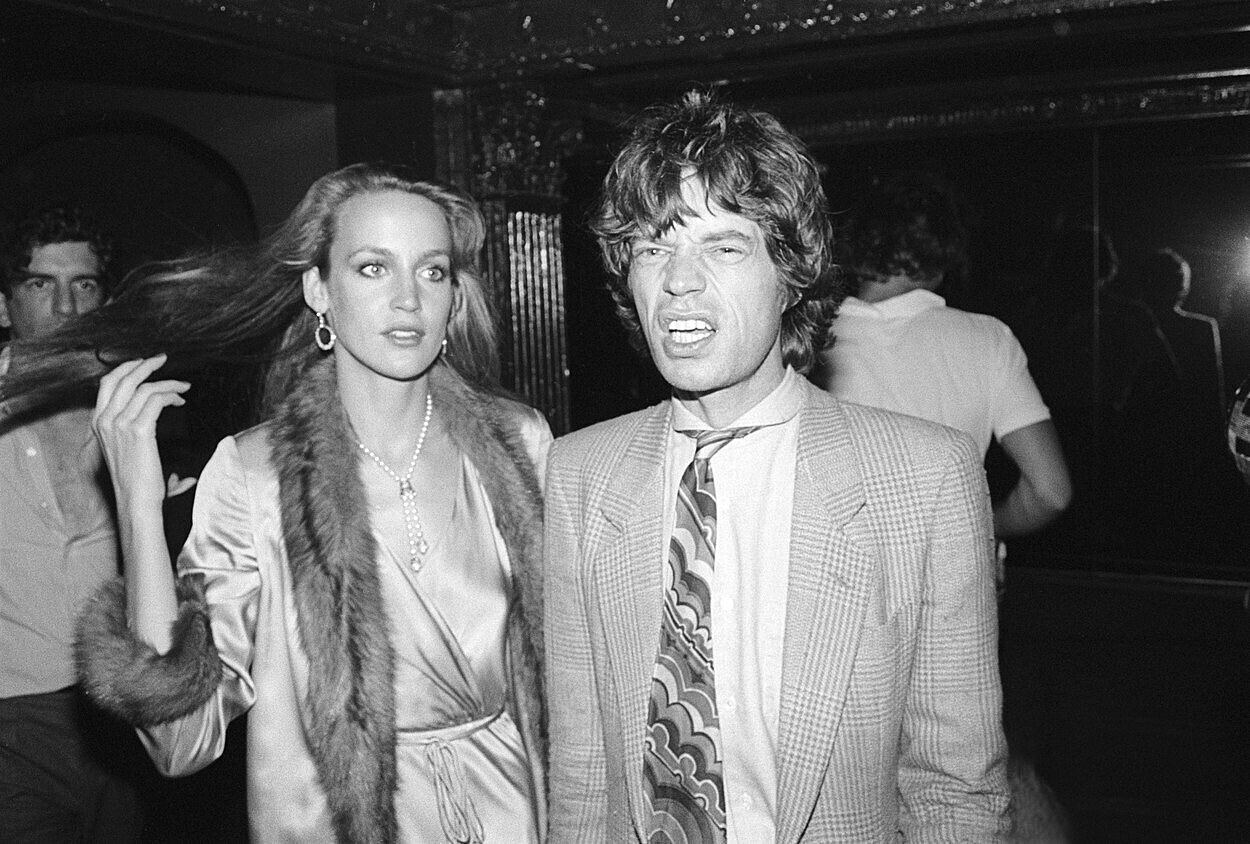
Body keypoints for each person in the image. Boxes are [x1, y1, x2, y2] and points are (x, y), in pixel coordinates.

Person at [1, 164, 550, 843]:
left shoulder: (519, 444)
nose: (409, 298)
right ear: (319, 290)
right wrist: (138, 505)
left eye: (432, 271)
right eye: (373, 268)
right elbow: (180, 740)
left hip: (518, 814)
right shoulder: (256, 474)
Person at [544, 91, 1010, 842]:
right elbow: (581, 777)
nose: (679, 281)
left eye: (724, 247)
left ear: (792, 272)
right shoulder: (579, 474)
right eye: (654, 247)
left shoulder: (927, 478)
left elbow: (954, 792)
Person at [815, 173, 1072, 538]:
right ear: (946, 253)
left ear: (854, 244)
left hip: (836, 566)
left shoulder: (805, 340)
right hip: (953, 567)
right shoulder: (988, 339)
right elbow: (1051, 493)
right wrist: (973, 534)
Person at [0, 206, 147, 842]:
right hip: (12, 722)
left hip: (118, 714)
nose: (66, 307)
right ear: (4, 306)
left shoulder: (131, 410)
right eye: (41, 284)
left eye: (83, 284)